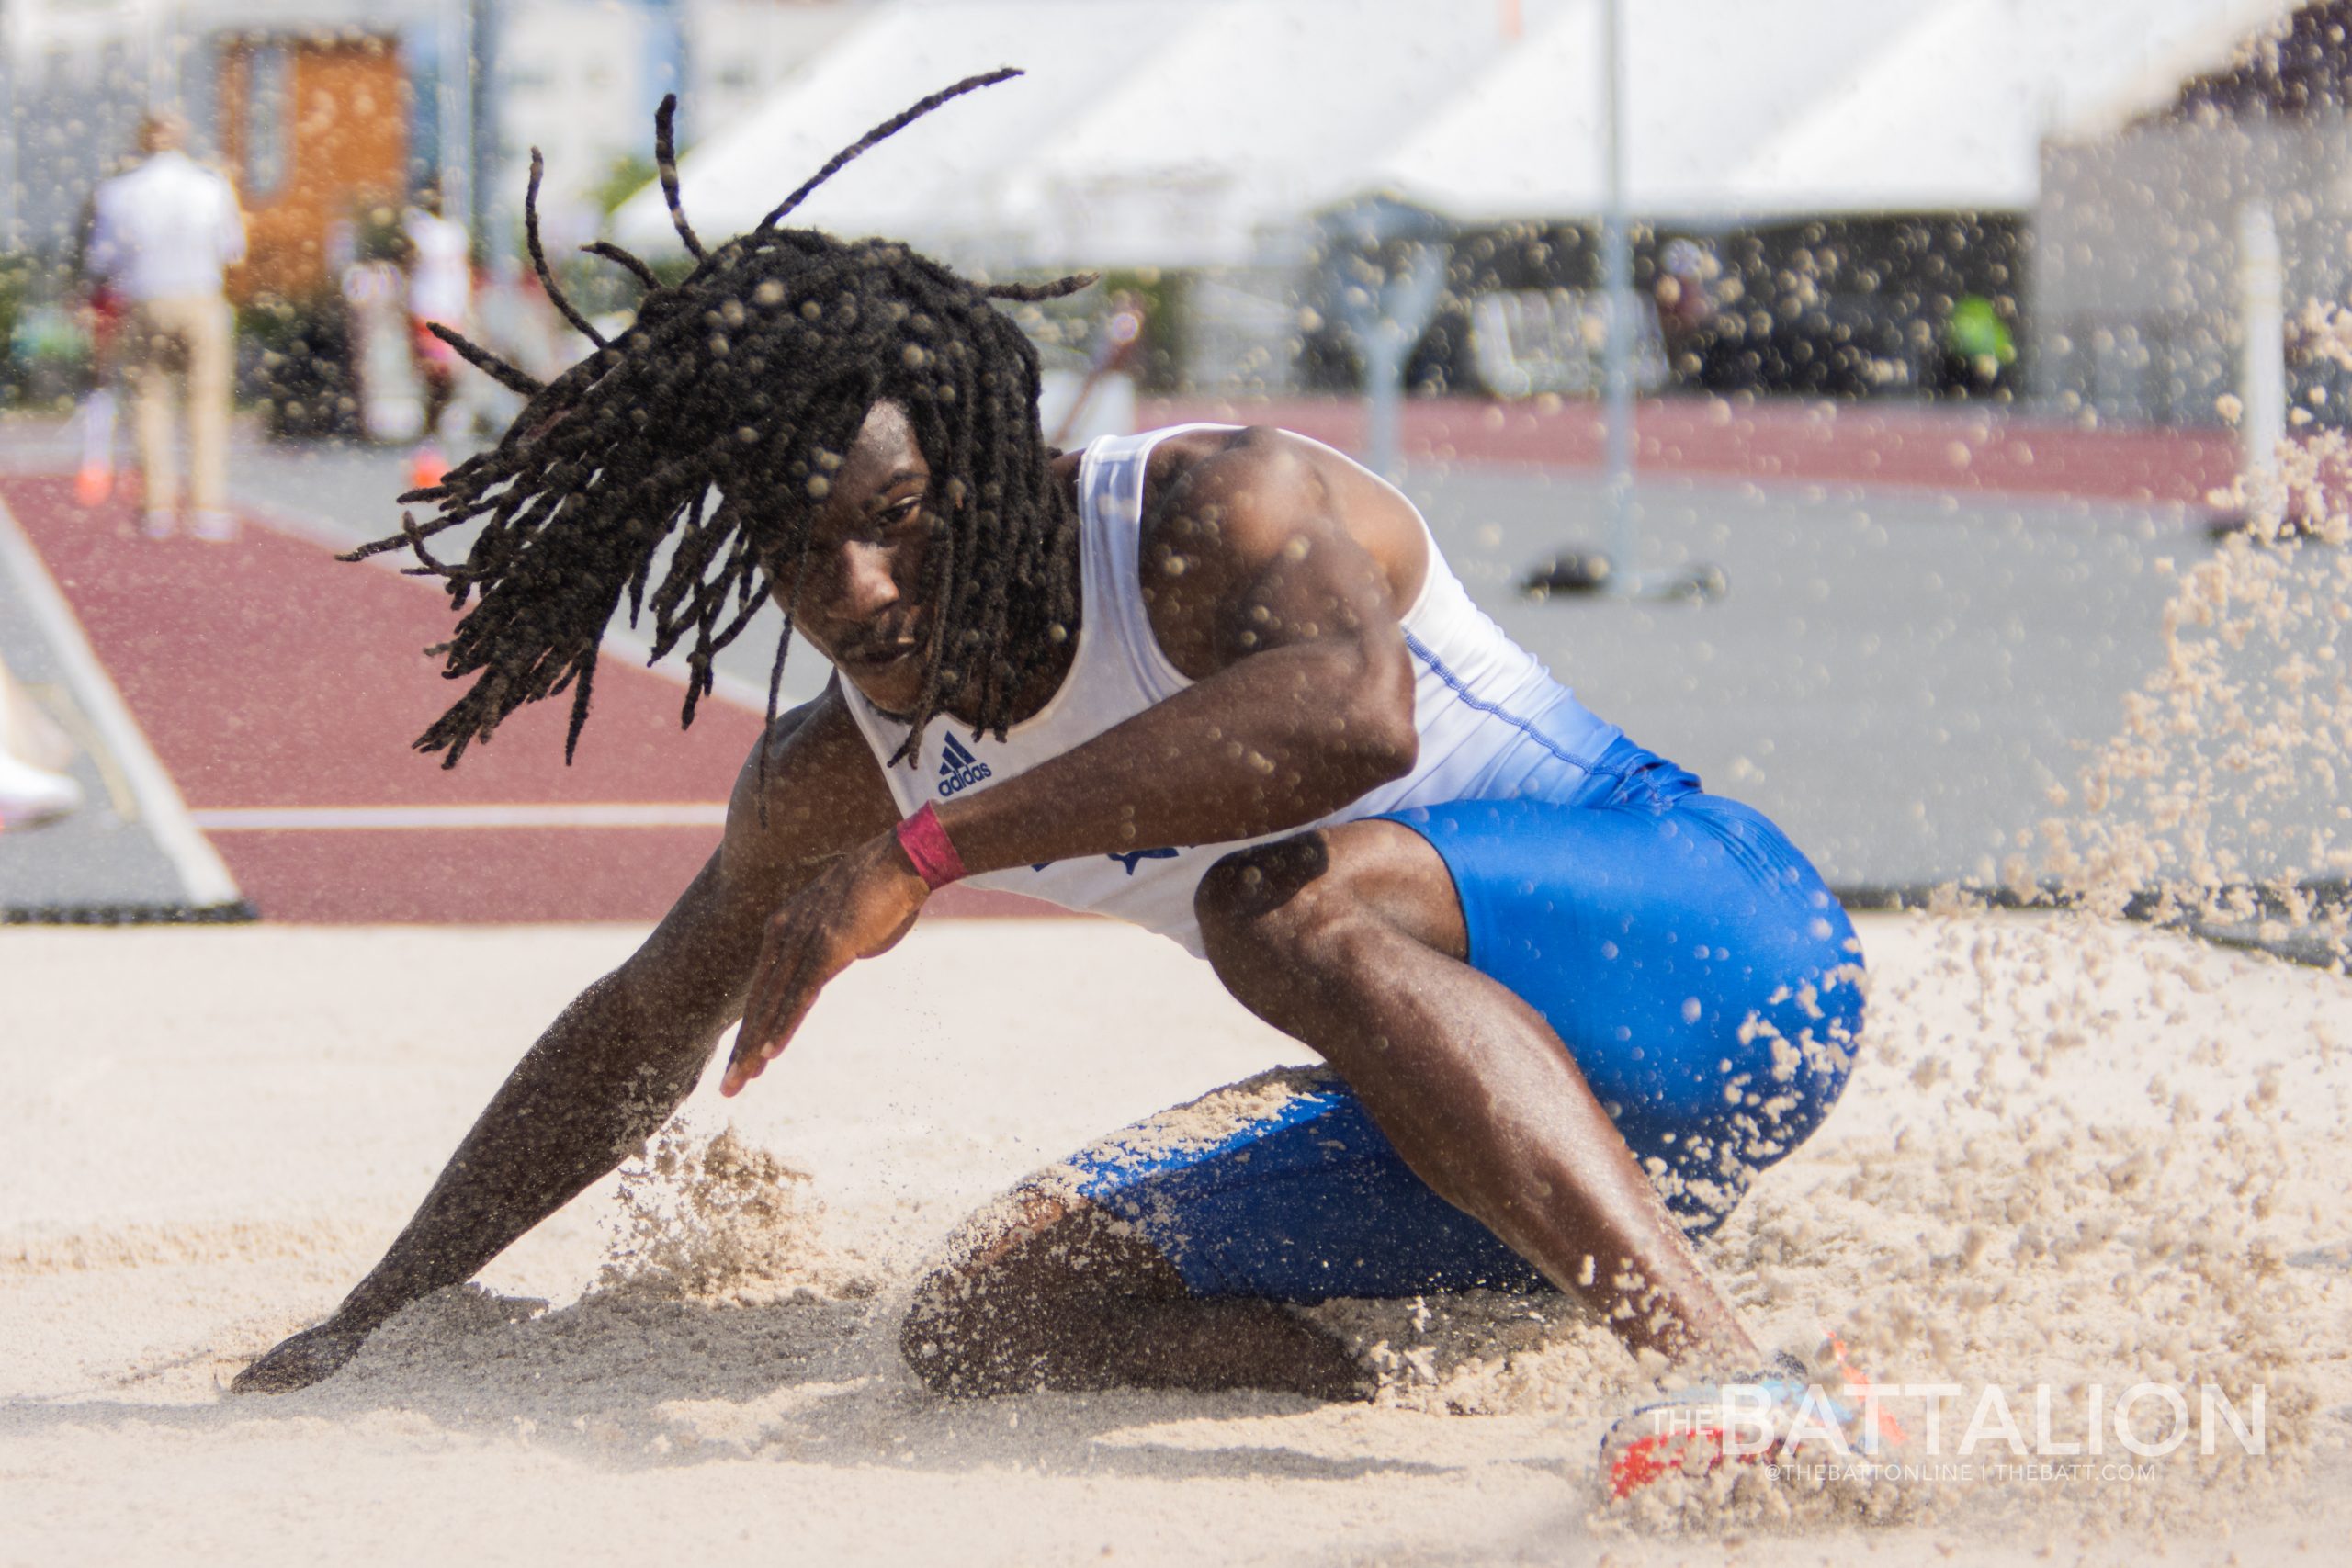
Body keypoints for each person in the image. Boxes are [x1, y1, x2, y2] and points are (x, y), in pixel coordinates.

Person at [232, 79, 1865, 1481]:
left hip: (1723, 957)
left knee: (1279, 905)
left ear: (991, 475)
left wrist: (933, 850)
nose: (860, 588)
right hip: (1489, 1094)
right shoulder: (839, 765)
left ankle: (1728, 1375)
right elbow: (652, 1010)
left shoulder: (1198, 511)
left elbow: (1351, 719)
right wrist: (384, 1308)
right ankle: (1460, 1342)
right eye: (806, 553)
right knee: (990, 1313)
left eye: (900, 521)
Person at [85, 111, 247, 542]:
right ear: (182, 137)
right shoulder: (210, 185)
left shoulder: (119, 190)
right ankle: (206, 505)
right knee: (206, 402)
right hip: (201, 297)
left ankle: (157, 505)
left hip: (145, 298)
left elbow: (101, 258)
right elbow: (233, 249)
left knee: (149, 399)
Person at [398, 187, 472, 490]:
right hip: (427, 313)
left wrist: (465, 311)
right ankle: (427, 447)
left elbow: (461, 273)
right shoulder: (420, 229)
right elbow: (407, 261)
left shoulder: (455, 233)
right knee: (436, 376)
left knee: (449, 380)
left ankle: (430, 442)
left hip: (449, 314)